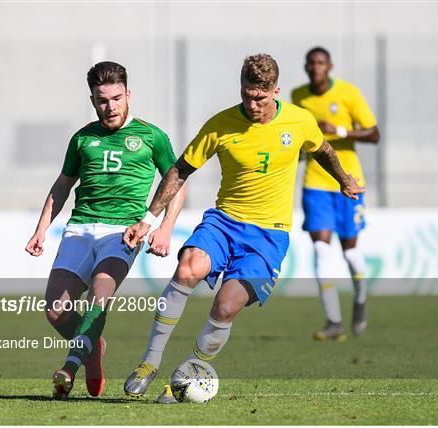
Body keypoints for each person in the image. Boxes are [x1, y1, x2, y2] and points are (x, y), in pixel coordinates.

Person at [121, 53, 364, 403]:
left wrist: (343, 179)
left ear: (276, 91)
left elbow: (322, 148)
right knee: (188, 265)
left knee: (225, 306)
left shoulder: (298, 121)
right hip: (224, 222)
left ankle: (189, 374)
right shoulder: (220, 124)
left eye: (260, 97)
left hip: (268, 235)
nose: (252, 104)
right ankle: (149, 363)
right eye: (247, 95)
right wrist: (149, 219)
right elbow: (180, 170)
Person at [25, 61, 186, 400]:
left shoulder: (151, 136)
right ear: (92, 100)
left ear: (128, 94)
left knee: (101, 292)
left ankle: (69, 367)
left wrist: (164, 227)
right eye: (102, 100)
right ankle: (93, 348)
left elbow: (177, 183)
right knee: (56, 310)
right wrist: (41, 230)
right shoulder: (83, 138)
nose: (109, 106)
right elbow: (62, 186)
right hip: (80, 229)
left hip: (124, 232)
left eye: (116, 98)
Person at [291, 47, 380, 341]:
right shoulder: (298, 97)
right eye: (311, 63)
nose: (316, 67)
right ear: (306, 67)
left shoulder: (348, 93)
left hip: (348, 182)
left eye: (321, 62)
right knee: (320, 249)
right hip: (316, 183)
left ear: (329, 66)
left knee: (351, 252)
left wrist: (340, 132)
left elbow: (373, 133)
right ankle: (333, 320)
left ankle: (361, 297)